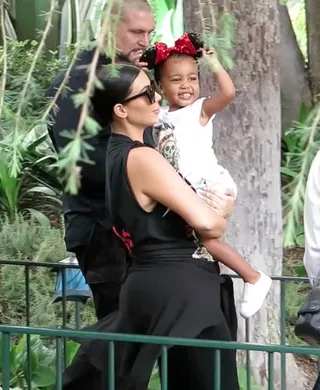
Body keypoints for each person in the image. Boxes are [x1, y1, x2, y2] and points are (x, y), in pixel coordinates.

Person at [80, 63, 240, 390]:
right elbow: (210, 225)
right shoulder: (143, 158)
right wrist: (225, 209)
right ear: (121, 109)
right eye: (146, 93)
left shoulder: (114, 154)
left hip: (152, 284)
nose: (156, 99)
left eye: (153, 89)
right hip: (182, 292)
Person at [141, 32, 272, 318]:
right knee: (199, 242)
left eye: (192, 78)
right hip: (189, 189)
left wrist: (212, 62)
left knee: (208, 240)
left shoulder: (199, 110)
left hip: (209, 185)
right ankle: (215, 286)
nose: (186, 85)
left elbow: (227, 94)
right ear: (160, 85)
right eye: (176, 80)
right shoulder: (159, 115)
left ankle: (254, 278)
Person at [46, 0, 155, 319]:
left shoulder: (133, 75)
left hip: (137, 225)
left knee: (141, 328)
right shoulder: (78, 79)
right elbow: (75, 160)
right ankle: (86, 372)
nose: (144, 41)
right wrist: (148, 180)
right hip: (100, 227)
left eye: (149, 32)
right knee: (120, 329)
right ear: (108, 28)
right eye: (136, 31)